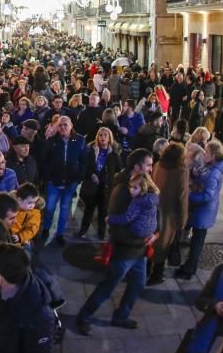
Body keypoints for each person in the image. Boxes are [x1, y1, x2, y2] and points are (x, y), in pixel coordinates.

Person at [75, 148, 155, 335]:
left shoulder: (144, 183)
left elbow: (152, 212)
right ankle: (84, 316)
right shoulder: (123, 190)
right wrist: (137, 240)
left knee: (138, 285)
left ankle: (121, 316)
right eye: (149, 165)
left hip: (140, 250)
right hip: (125, 251)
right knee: (108, 286)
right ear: (137, 167)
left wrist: (155, 233)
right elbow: (115, 224)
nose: (152, 169)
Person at [176, 141, 223, 279]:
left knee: (197, 242)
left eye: (206, 153)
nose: (204, 154)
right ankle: (189, 266)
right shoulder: (209, 166)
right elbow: (201, 177)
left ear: (213, 156)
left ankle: (189, 269)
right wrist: (194, 175)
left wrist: (189, 195)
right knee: (196, 240)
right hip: (201, 211)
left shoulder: (214, 173)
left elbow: (207, 196)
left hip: (203, 212)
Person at [148, 142, 189, 286]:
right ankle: (156, 275)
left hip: (154, 208)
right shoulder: (181, 170)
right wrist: (183, 220)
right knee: (163, 245)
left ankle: (147, 269)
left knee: (152, 240)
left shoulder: (158, 164)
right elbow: (183, 197)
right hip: (170, 213)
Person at [41, 116, 85, 245]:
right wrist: (47, 176)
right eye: (60, 125)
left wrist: (78, 177)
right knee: (49, 208)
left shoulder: (80, 140)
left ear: (71, 125)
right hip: (54, 181)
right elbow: (44, 159)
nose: (63, 127)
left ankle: (60, 233)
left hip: (70, 182)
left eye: (65, 124)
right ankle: (46, 228)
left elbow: (83, 160)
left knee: (64, 209)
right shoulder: (52, 140)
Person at [78, 126, 123, 239]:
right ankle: (83, 230)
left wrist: (114, 182)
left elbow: (119, 170)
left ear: (110, 138)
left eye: (105, 135)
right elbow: (85, 166)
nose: (103, 137)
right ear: (97, 137)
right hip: (92, 185)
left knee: (103, 211)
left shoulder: (114, 154)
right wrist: (91, 174)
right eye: (101, 135)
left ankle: (101, 233)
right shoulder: (91, 150)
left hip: (106, 187)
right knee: (89, 210)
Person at [105, 172, 159, 245]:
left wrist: (110, 219)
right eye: (130, 187)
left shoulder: (138, 201)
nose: (131, 190)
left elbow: (128, 218)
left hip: (139, 230)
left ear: (143, 188)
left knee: (119, 230)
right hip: (151, 229)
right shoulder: (152, 197)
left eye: (135, 188)